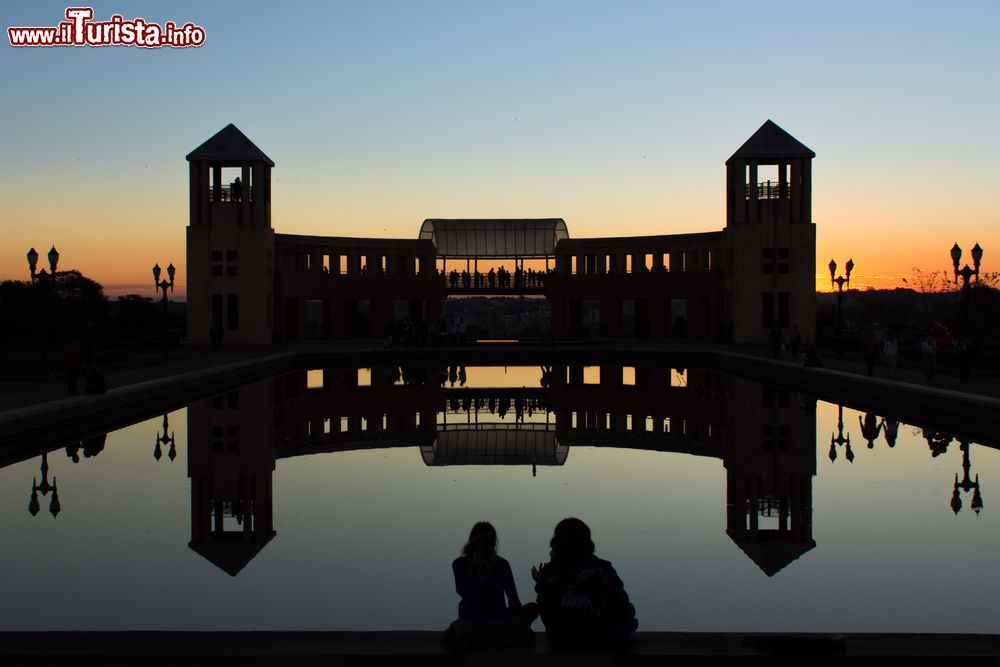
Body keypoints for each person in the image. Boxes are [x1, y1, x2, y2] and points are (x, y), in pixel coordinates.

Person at [532, 518, 637, 649]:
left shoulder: (551, 570)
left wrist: (541, 583)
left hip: (561, 638)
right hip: (601, 637)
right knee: (629, 611)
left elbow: (544, 605)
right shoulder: (604, 568)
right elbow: (620, 602)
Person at [445, 522, 536, 649]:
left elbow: (463, 593)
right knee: (532, 608)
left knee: (461, 610)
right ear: (494, 543)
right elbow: (514, 602)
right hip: (500, 627)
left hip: (471, 627)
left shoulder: (458, 564)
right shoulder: (502, 564)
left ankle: (470, 641)